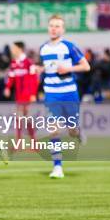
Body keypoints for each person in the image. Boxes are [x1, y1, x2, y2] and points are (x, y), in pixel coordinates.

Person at [39, 15, 91, 179]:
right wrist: (39, 70)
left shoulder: (69, 47)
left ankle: (78, 132)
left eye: (57, 26)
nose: (54, 28)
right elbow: (48, 68)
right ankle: (57, 167)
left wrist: (69, 68)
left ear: (63, 30)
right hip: (51, 94)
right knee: (53, 129)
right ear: (48, 28)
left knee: (72, 131)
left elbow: (86, 66)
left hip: (69, 93)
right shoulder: (43, 49)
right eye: (52, 25)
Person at [3, 41, 38, 149]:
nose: (12, 50)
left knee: (23, 118)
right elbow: (11, 77)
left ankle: (28, 144)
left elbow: (34, 79)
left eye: (14, 48)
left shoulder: (28, 63)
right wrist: (7, 88)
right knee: (22, 118)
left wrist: (33, 94)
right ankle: (29, 144)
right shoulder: (14, 63)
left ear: (19, 49)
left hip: (27, 95)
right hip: (19, 95)